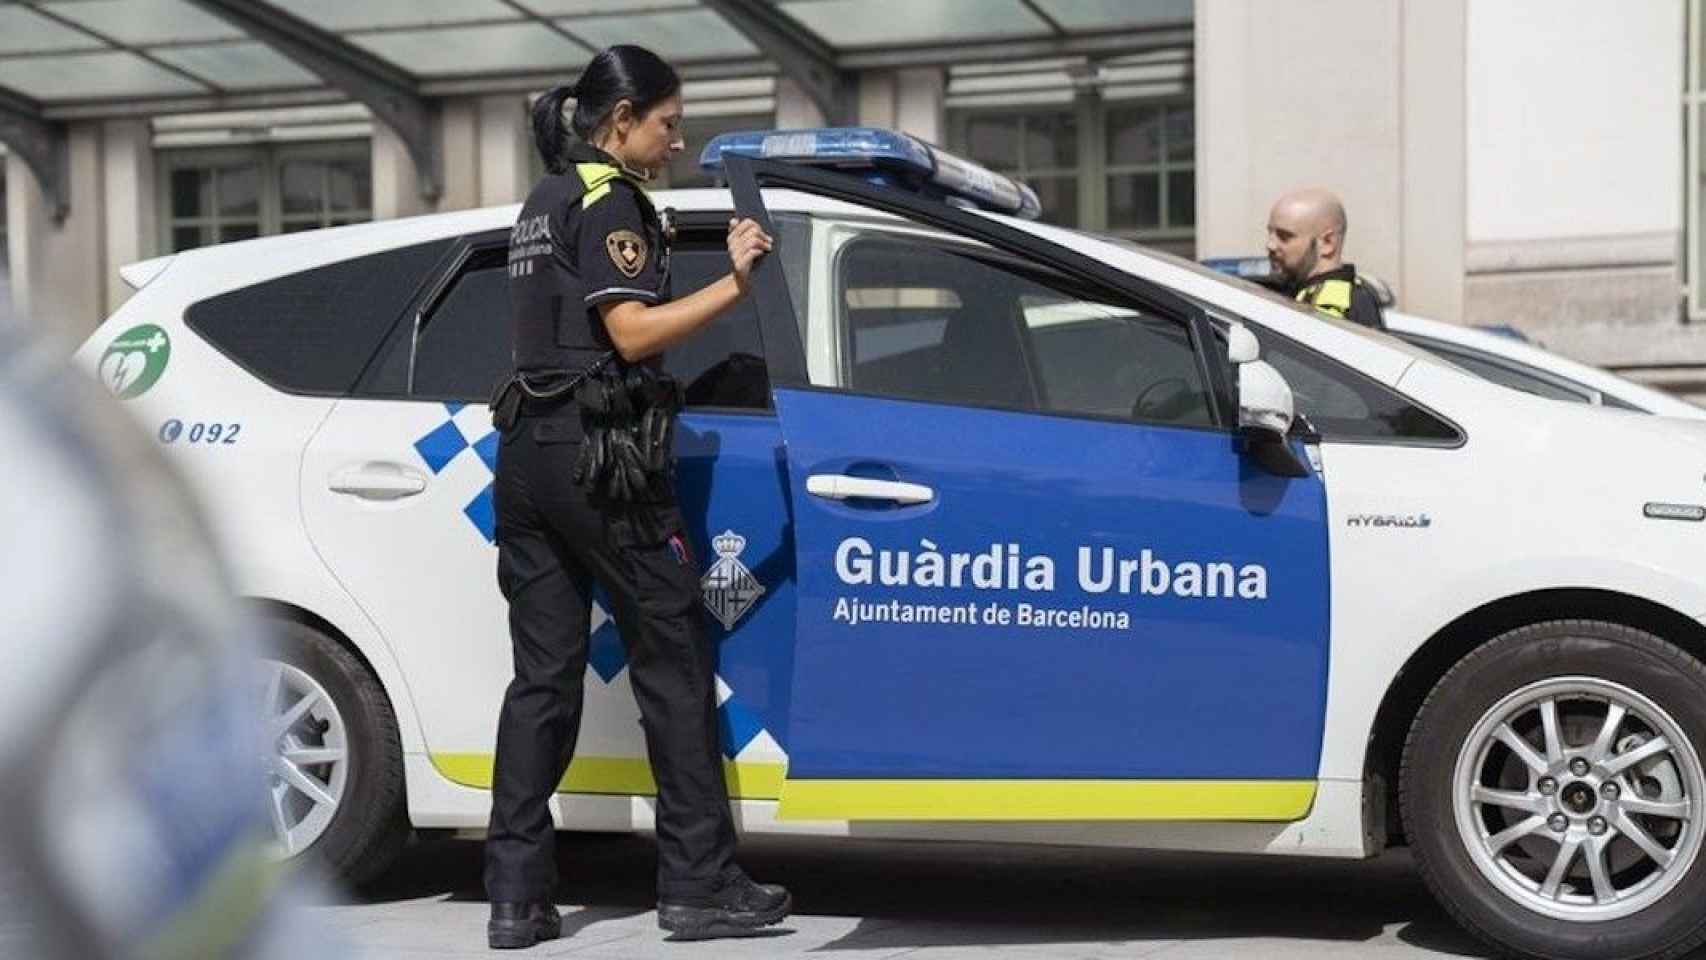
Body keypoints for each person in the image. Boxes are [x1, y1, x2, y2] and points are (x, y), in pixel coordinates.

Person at [483, 44, 788, 949]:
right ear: (623, 121)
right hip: (600, 460)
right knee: (674, 657)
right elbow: (630, 330)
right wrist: (735, 282)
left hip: (526, 458)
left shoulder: (545, 198)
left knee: (540, 680)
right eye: (666, 121)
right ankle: (698, 886)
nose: (676, 136)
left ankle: (515, 900)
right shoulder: (610, 200)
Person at [1265, 188, 1386, 330]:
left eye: (1285, 236)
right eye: (1270, 233)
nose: (1270, 245)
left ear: (1328, 242)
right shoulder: (1354, 295)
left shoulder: (1330, 305)